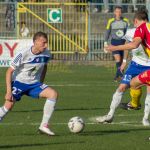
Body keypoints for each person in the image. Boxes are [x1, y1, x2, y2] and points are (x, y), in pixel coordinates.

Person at [96, 10, 150, 126]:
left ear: (135, 21)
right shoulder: (131, 32)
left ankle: (145, 118)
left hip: (148, 66)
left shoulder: (142, 29)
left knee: (147, 91)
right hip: (135, 65)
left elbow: (133, 45)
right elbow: (128, 45)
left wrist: (114, 47)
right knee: (122, 87)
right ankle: (110, 115)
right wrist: (124, 61)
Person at [0, 31, 58, 135]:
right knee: (7, 107)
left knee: (53, 94)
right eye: (43, 43)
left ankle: (44, 126)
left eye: (47, 42)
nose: (46, 45)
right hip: (19, 83)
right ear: (35, 42)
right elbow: (9, 72)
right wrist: (8, 91)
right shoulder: (23, 54)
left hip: (34, 84)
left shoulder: (47, 54)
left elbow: (44, 66)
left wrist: (41, 82)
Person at [104, 6, 129, 81]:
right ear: (114, 12)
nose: (118, 13)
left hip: (123, 43)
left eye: (120, 12)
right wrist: (105, 42)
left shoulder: (126, 21)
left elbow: (128, 32)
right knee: (118, 60)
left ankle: (117, 76)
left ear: (121, 13)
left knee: (121, 61)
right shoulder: (111, 21)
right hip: (114, 43)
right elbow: (107, 32)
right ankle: (121, 75)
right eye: (117, 12)